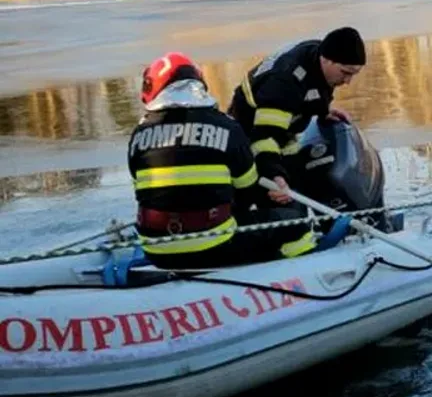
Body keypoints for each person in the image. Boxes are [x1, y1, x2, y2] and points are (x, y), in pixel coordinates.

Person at [128, 53, 338, 269]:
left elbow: (144, 189)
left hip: (156, 251)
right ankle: (301, 273)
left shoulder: (139, 134)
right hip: (215, 245)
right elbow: (248, 188)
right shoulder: (227, 127)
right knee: (295, 223)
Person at [228, 27, 365, 204]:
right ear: (326, 59)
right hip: (249, 132)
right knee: (278, 197)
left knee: (297, 179)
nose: (348, 81)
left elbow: (314, 87)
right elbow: (264, 138)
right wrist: (275, 175)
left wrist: (323, 110)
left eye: (353, 74)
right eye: (345, 73)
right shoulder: (284, 83)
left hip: (282, 127)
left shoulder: (317, 55)